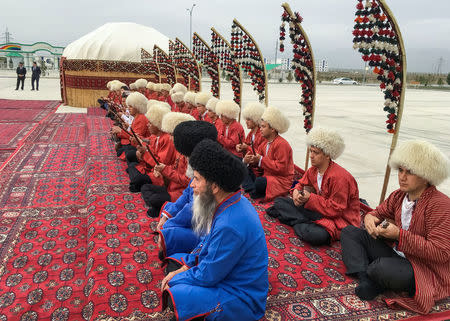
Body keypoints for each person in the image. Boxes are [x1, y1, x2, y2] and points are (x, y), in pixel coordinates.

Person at [161, 139, 268, 321]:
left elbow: (208, 275)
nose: (192, 185)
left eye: (197, 179)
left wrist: (177, 277)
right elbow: (207, 242)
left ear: (215, 187)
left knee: (175, 290)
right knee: (176, 269)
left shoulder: (229, 224)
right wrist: (186, 267)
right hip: (226, 274)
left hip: (242, 294)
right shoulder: (231, 201)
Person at [340, 140, 450, 314]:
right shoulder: (399, 195)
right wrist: (370, 218)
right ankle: (364, 277)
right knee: (349, 232)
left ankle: (374, 276)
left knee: (380, 268)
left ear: (426, 175)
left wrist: (399, 235)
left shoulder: (441, 205)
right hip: (398, 255)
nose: (402, 177)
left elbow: (441, 253)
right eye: (400, 170)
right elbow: (377, 212)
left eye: (410, 172)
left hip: (423, 269)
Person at [267, 127, 360, 246]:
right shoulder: (313, 170)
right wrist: (296, 192)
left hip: (338, 221)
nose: (311, 156)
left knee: (314, 235)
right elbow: (300, 184)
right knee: (279, 201)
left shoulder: (340, 177)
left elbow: (336, 209)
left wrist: (310, 198)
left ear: (327, 154)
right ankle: (303, 221)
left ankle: (298, 221)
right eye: (310, 151)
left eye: (315, 152)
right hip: (319, 212)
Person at [157, 121, 218, 259]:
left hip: (204, 228)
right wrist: (167, 216)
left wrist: (168, 224)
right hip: (193, 217)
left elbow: (193, 208)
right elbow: (186, 195)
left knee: (167, 238)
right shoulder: (196, 163)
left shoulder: (208, 169)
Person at [141, 112, 195, 217]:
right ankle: (163, 208)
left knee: (153, 198)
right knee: (145, 188)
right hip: (171, 186)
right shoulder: (179, 150)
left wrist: (165, 170)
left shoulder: (189, 155)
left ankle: (164, 208)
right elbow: (173, 167)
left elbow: (188, 181)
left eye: (172, 135)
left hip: (180, 193)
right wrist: (161, 170)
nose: (170, 138)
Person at [243, 106, 293, 201]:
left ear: (273, 129)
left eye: (263, 126)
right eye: (261, 126)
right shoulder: (265, 144)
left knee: (260, 182)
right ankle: (253, 189)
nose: (260, 129)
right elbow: (258, 162)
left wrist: (260, 159)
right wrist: (249, 160)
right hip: (266, 177)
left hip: (280, 181)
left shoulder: (282, 144)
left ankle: (255, 189)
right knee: (243, 168)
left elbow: (281, 168)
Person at [127, 103, 174, 192]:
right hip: (150, 168)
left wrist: (144, 152)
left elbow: (159, 164)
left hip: (159, 175)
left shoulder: (167, 139)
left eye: (150, 123)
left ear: (158, 124)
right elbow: (147, 143)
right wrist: (139, 142)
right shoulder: (155, 135)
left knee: (135, 182)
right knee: (131, 167)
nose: (147, 125)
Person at [237, 102, 266, 192]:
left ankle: (250, 187)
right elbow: (245, 147)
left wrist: (246, 148)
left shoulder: (261, 135)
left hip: (258, 169)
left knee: (239, 167)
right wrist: (239, 148)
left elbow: (260, 154)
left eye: (249, 119)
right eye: (246, 119)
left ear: (255, 119)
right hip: (251, 165)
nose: (246, 122)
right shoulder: (250, 134)